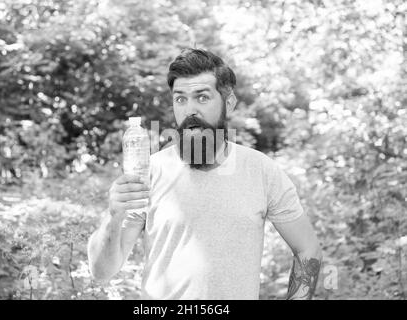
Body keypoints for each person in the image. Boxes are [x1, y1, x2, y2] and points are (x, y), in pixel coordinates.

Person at [87, 48, 322, 300]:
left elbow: (308, 249)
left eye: (202, 97)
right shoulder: (148, 172)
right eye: (180, 99)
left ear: (228, 102)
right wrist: (113, 217)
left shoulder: (262, 171)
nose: (190, 110)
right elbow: (102, 272)